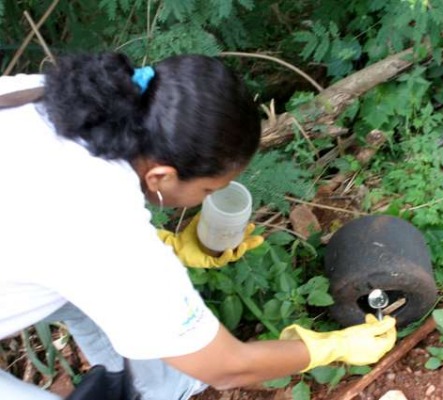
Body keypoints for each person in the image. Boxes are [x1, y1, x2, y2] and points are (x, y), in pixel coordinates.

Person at [0, 52, 397, 400]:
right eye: (210, 189)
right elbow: (227, 367)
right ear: (160, 177)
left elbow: (42, 225)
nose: (210, 199)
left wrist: (167, 248)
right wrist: (331, 347)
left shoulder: (58, 99)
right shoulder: (102, 232)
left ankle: (161, 391)